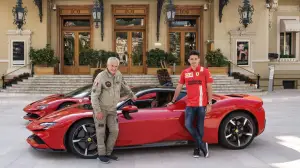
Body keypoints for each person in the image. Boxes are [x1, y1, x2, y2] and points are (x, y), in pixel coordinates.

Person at [167, 50, 213, 158]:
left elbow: (209, 87)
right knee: (188, 125)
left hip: (201, 105)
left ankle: (197, 149)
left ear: (199, 60)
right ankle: (202, 144)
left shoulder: (205, 71)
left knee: (200, 128)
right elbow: (179, 87)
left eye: (195, 59)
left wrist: (209, 103)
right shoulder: (185, 72)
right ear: (188, 60)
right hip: (190, 105)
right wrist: (173, 100)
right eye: (191, 59)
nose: (193, 61)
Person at [91, 57, 136, 163]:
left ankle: (108, 153)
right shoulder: (101, 76)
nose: (114, 68)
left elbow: (124, 85)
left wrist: (132, 95)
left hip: (112, 109)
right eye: (112, 66)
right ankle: (101, 154)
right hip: (101, 109)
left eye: (116, 66)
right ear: (107, 65)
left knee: (114, 131)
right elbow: (94, 95)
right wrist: (98, 111)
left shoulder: (119, 75)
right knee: (101, 132)